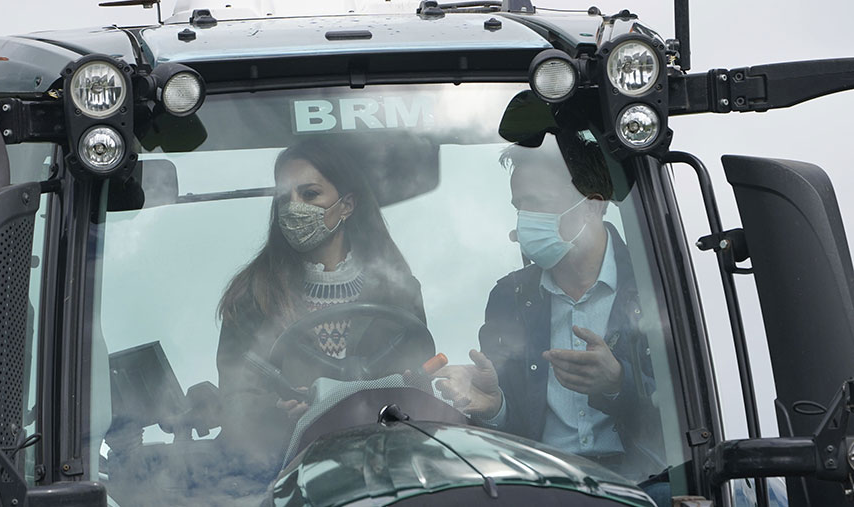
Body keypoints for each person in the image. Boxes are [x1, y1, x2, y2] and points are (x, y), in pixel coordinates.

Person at [435, 130, 662, 478]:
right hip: (542, 486)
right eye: (519, 207)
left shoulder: (654, 287)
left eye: (537, 204)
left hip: (644, 485)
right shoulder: (507, 298)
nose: (524, 221)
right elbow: (513, 427)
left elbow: (692, 414)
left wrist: (618, 384)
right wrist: (495, 406)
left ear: (593, 204)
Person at [215, 137, 426, 479]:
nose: (294, 208)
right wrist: (277, 414)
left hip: (387, 467)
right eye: (285, 199)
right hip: (286, 473)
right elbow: (237, 399)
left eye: (310, 194)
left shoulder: (399, 291)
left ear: (347, 205)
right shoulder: (251, 296)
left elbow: (418, 382)